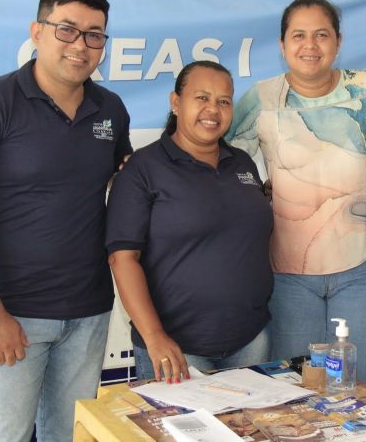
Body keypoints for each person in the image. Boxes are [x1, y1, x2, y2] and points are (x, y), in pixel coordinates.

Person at [0, 0, 131, 441]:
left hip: (88, 313)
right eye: (67, 29)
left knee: (69, 436)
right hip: (11, 316)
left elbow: (120, 187)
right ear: (37, 32)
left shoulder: (111, 110)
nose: (80, 45)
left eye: (94, 34)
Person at [227, 0, 366, 389]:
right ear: (282, 45)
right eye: (298, 35)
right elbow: (219, 160)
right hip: (288, 275)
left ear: (337, 42)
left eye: (321, 34)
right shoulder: (262, 98)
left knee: (363, 390)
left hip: (361, 270)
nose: (310, 45)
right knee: (296, 390)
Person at [106, 61, 273, 383]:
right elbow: (122, 259)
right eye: (202, 98)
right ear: (175, 102)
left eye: (224, 101)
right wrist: (154, 337)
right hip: (176, 350)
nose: (213, 109)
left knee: (246, 433)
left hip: (251, 340)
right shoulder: (143, 168)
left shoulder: (241, 163)